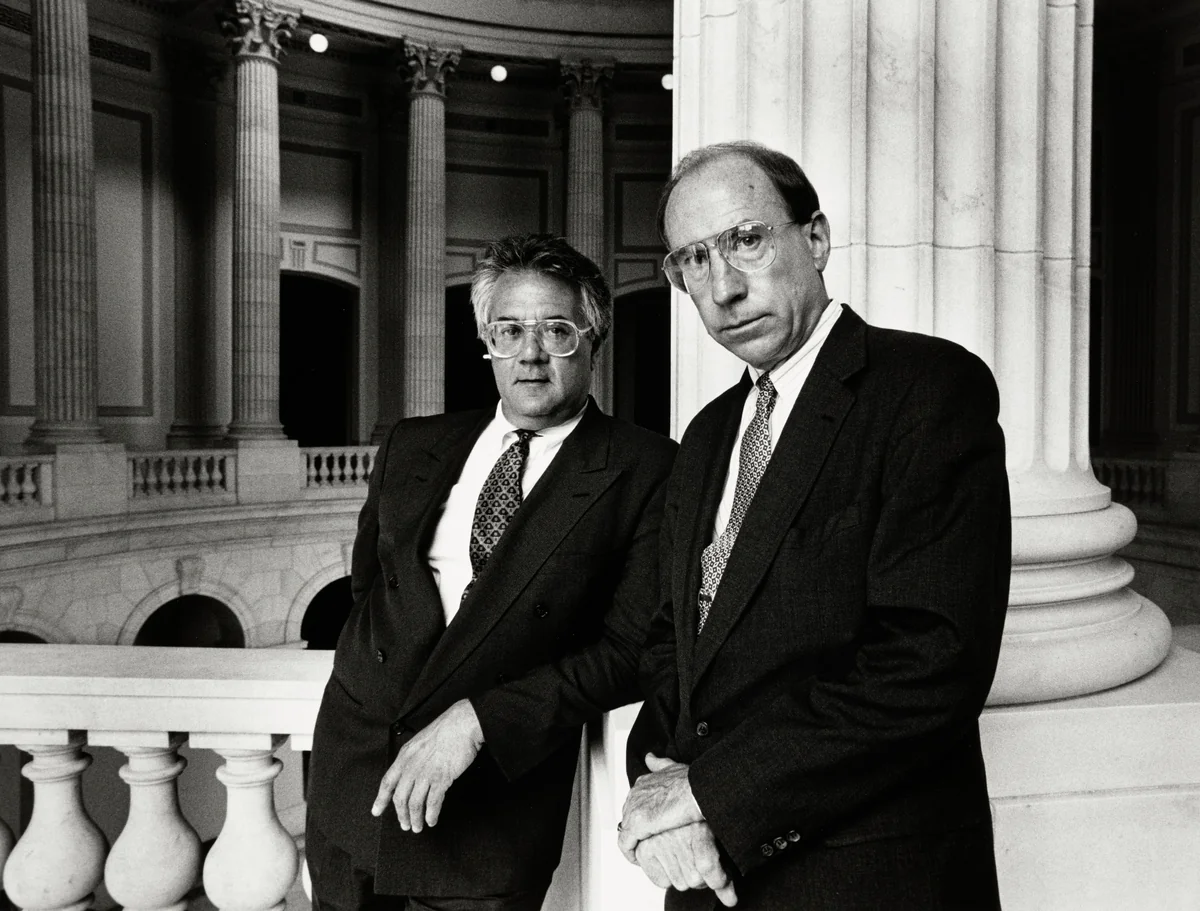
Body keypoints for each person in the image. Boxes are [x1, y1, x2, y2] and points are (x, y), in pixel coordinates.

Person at [618, 141, 1011, 910]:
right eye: (692, 260)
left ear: (817, 238)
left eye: (746, 240)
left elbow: (928, 663)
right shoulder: (704, 437)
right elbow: (673, 639)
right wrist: (658, 795)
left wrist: (708, 796)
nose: (723, 286)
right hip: (705, 877)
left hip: (867, 879)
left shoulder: (928, 391)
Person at [306, 233, 678, 911]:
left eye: (557, 330)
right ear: (486, 339)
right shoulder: (412, 443)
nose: (530, 352)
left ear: (595, 337)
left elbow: (632, 651)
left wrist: (478, 718)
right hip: (350, 784)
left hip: (489, 807)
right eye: (509, 330)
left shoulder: (646, 467)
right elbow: (370, 592)